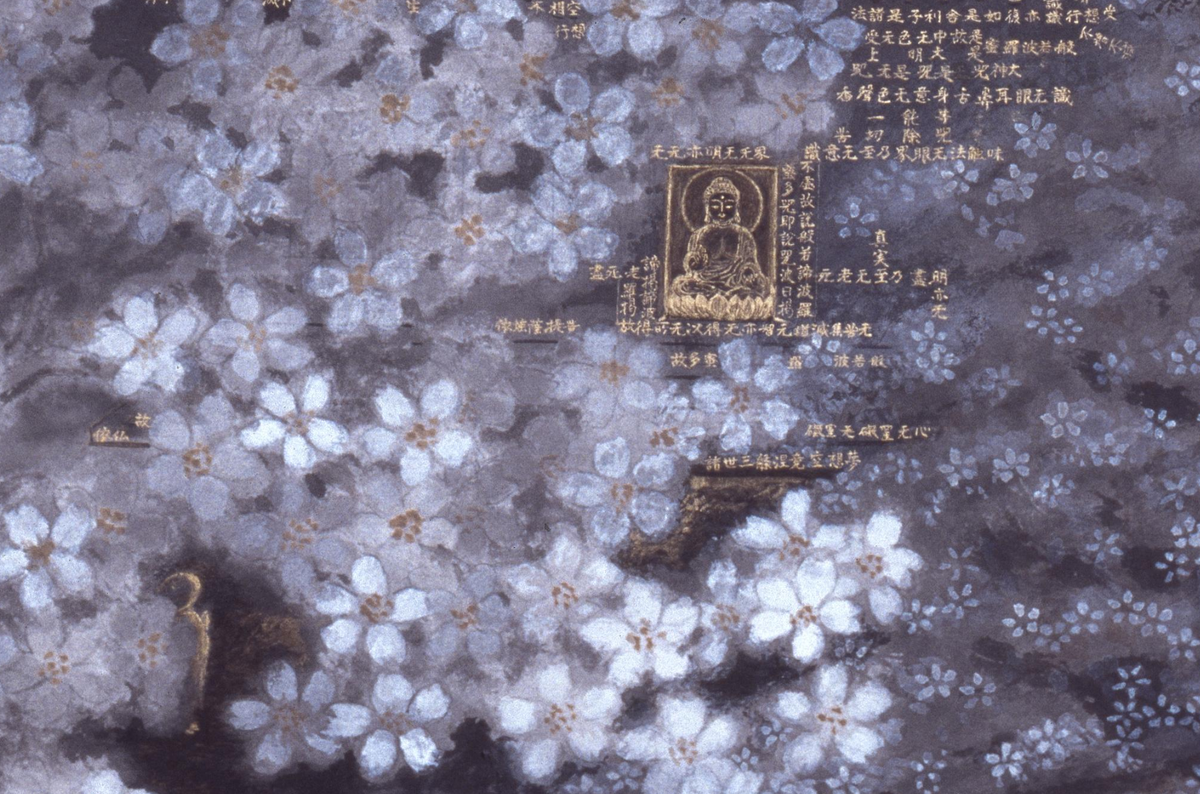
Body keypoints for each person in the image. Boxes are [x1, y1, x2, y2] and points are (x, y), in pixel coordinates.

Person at [670, 176, 770, 304]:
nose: (722, 211)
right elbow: (691, 270)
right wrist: (695, 263)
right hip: (705, 284)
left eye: (728, 205)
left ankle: (724, 298)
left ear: (736, 208)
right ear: (707, 207)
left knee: (759, 287)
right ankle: (718, 297)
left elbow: (750, 264)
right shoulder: (698, 235)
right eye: (716, 205)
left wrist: (749, 272)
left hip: (735, 285)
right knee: (681, 286)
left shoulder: (744, 235)